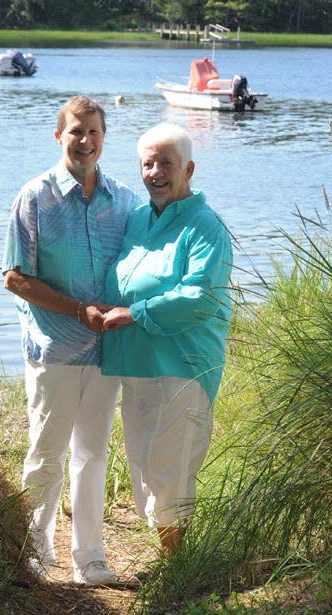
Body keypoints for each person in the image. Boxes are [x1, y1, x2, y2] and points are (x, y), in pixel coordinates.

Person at [1, 95, 141, 585]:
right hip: (54, 348)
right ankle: (35, 551)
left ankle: (90, 558)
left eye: (94, 133)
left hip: (106, 351)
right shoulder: (35, 197)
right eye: (76, 132)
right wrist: (76, 311)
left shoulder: (125, 199)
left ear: (105, 138)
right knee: (46, 453)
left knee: (94, 455)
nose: (85, 141)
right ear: (59, 136)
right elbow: (15, 278)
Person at [101, 123, 233, 555]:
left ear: (189, 168)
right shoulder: (139, 218)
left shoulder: (205, 225)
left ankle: (177, 568)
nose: (155, 172)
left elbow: (199, 297)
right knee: (143, 467)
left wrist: (134, 312)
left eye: (166, 163)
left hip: (183, 364)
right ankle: (171, 559)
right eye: (148, 163)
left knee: (169, 469)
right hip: (135, 362)